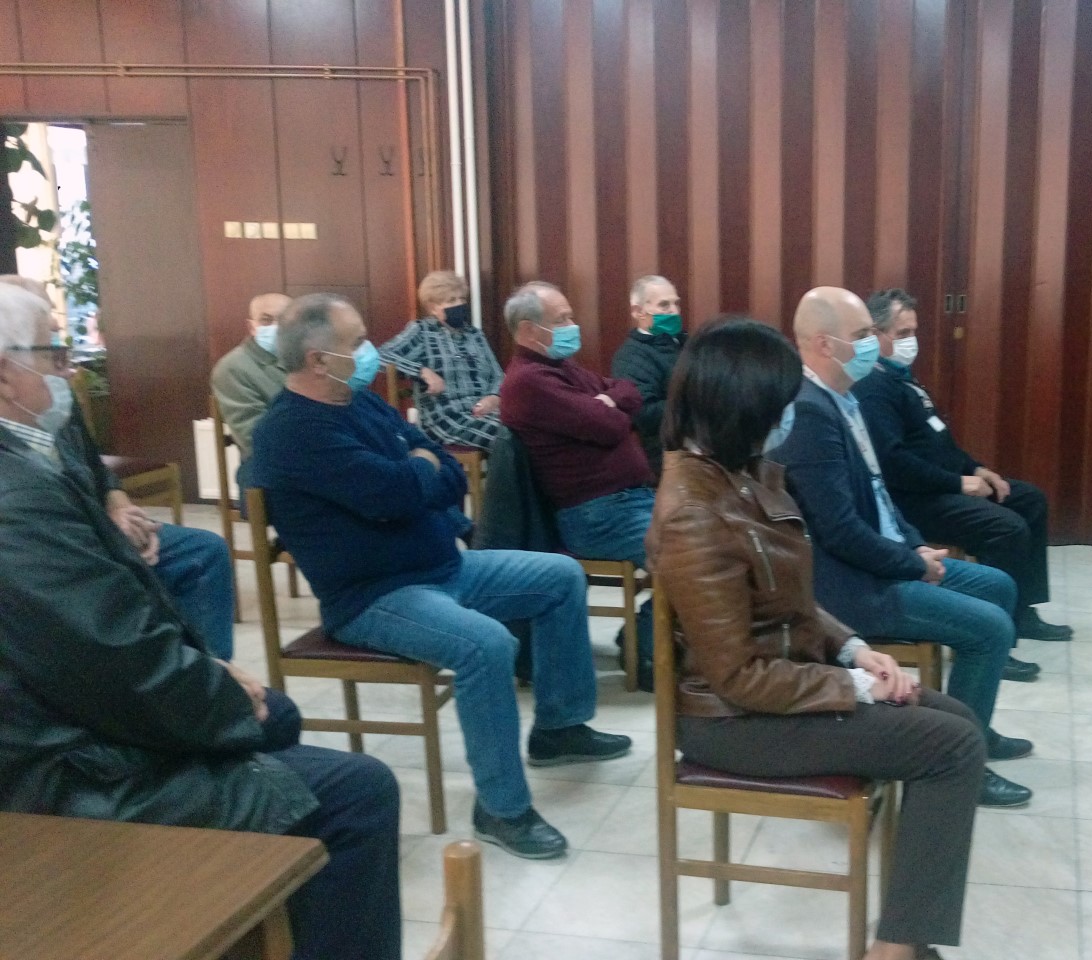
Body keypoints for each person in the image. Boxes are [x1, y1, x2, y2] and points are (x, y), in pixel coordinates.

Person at [0, 283, 402, 960]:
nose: (69, 371)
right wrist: (220, 695)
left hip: (65, 718)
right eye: (54, 355)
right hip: (56, 769)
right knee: (357, 790)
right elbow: (110, 660)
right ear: (5, 373)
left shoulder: (29, 450)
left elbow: (101, 636)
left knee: (275, 719)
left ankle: (254, 913)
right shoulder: (13, 499)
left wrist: (205, 675)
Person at [647, 318, 986, 960]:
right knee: (951, 747)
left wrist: (855, 651)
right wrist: (853, 686)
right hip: (735, 720)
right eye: (780, 404)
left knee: (959, 723)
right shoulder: (695, 513)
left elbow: (793, 600)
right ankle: (896, 950)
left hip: (782, 690)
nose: (790, 417)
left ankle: (904, 931)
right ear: (743, 407)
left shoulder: (738, 473)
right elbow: (737, 677)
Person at [249, 293, 631, 860]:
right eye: (358, 342)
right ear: (317, 359)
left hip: (442, 566)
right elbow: (394, 493)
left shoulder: (360, 402)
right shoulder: (291, 432)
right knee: (486, 645)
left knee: (560, 576)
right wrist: (415, 473)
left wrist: (416, 473)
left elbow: (444, 468)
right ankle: (501, 808)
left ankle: (559, 729)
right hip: (375, 595)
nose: (371, 351)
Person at [768, 286, 1033, 808]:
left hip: (885, 559)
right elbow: (840, 531)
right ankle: (964, 762)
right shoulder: (809, 413)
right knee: (990, 629)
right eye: (862, 335)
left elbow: (879, 494)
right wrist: (910, 563)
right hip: (850, 586)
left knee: (999, 587)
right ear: (824, 344)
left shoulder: (844, 397)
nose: (874, 344)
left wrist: (917, 548)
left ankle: (975, 727)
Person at [0, 285, 236, 659]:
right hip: (75, 541)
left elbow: (95, 467)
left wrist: (121, 509)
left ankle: (209, 663)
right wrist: (110, 533)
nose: (68, 370)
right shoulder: (15, 474)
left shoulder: (53, 404)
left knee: (202, 552)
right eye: (52, 352)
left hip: (99, 521)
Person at [855, 287, 1073, 666]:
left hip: (941, 484)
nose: (911, 341)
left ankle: (1022, 612)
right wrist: (958, 484)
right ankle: (994, 639)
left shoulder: (903, 379)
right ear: (875, 334)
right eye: (902, 333)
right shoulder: (873, 387)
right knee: (1006, 528)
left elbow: (940, 440)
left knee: (1029, 500)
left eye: (914, 332)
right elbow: (894, 463)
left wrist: (975, 469)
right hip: (913, 500)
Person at [499, 282, 657, 660]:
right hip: (597, 516)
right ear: (529, 330)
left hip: (627, 502)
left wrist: (608, 401)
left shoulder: (562, 367)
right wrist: (610, 407)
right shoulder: (530, 381)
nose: (573, 326)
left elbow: (630, 391)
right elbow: (611, 426)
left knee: (711, 543)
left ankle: (654, 640)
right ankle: (643, 644)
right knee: (693, 558)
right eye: (562, 319)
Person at [380, 270, 504, 451]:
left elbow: (498, 375)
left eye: (462, 299)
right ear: (433, 308)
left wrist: (493, 397)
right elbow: (382, 356)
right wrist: (422, 371)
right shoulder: (422, 332)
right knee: (506, 436)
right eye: (451, 300)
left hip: (484, 412)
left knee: (527, 426)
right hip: (445, 418)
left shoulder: (475, 335)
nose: (459, 304)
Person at [610, 273, 685, 477]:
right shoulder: (631, 357)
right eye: (664, 305)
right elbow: (643, 413)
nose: (674, 311)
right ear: (638, 312)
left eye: (676, 303)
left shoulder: (681, 342)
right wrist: (697, 402)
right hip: (668, 457)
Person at [211, 292, 290, 459]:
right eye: (266, 320)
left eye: (284, 320)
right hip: (271, 463)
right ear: (251, 327)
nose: (276, 327)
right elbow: (256, 438)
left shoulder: (306, 357)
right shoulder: (232, 368)